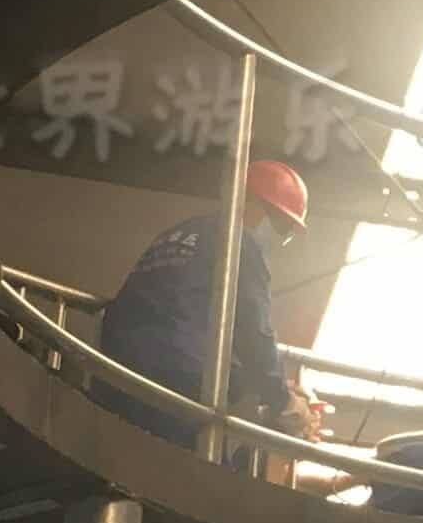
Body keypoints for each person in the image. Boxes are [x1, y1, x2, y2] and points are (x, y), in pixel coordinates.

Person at [96, 159, 325, 459]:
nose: (281, 238)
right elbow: (255, 332)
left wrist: (275, 386)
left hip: (117, 366)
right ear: (250, 202)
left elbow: (176, 318)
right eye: (282, 226)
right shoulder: (240, 242)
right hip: (177, 381)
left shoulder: (179, 233)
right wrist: (283, 401)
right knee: (185, 470)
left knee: (118, 458)